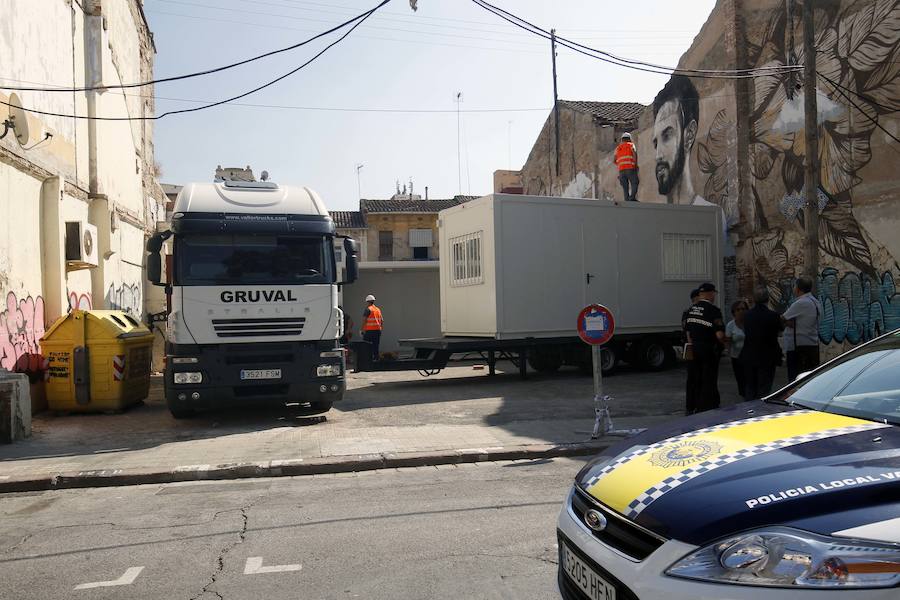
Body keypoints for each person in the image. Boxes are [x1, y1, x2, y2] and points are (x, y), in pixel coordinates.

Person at [652, 75, 713, 207]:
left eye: (667, 136)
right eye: (656, 144)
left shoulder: (709, 217)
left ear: (689, 135)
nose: (658, 155)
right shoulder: (655, 220)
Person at [683, 282, 725, 414]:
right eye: (713, 293)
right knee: (709, 379)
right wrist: (725, 343)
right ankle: (707, 407)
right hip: (708, 350)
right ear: (710, 294)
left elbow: (688, 333)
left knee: (695, 378)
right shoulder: (713, 311)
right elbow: (719, 335)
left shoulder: (690, 310)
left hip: (694, 349)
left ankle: (692, 406)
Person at [740, 287, 783, 400]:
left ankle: (748, 409)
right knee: (764, 387)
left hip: (750, 354)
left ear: (754, 299)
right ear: (767, 299)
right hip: (768, 355)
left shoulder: (747, 315)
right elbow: (779, 332)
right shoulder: (773, 316)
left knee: (750, 386)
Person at [782, 277, 823, 381]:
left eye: (795, 286)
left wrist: (788, 323)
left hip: (799, 347)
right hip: (812, 344)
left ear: (799, 289)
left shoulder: (801, 303)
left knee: (795, 379)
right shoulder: (815, 302)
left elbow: (782, 318)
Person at [724, 299, 748, 398]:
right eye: (738, 309)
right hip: (736, 356)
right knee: (741, 379)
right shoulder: (730, 325)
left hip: (749, 356)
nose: (741, 311)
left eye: (743, 309)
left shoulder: (750, 322)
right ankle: (744, 396)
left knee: (750, 378)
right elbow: (728, 341)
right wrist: (727, 350)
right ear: (734, 312)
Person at [614, 132, 639, 202]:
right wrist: (635, 164)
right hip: (630, 168)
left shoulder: (618, 148)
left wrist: (621, 165)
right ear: (629, 139)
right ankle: (632, 197)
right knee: (635, 182)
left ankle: (627, 200)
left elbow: (614, 160)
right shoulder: (631, 145)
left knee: (625, 187)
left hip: (621, 171)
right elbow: (634, 154)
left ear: (622, 139)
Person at [361, 294, 383, 362]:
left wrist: (362, 329)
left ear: (367, 302)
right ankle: (376, 359)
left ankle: (368, 360)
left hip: (369, 331)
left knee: (367, 346)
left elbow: (364, 320)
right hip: (377, 331)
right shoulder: (377, 309)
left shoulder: (368, 309)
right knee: (376, 346)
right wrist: (380, 327)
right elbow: (382, 320)